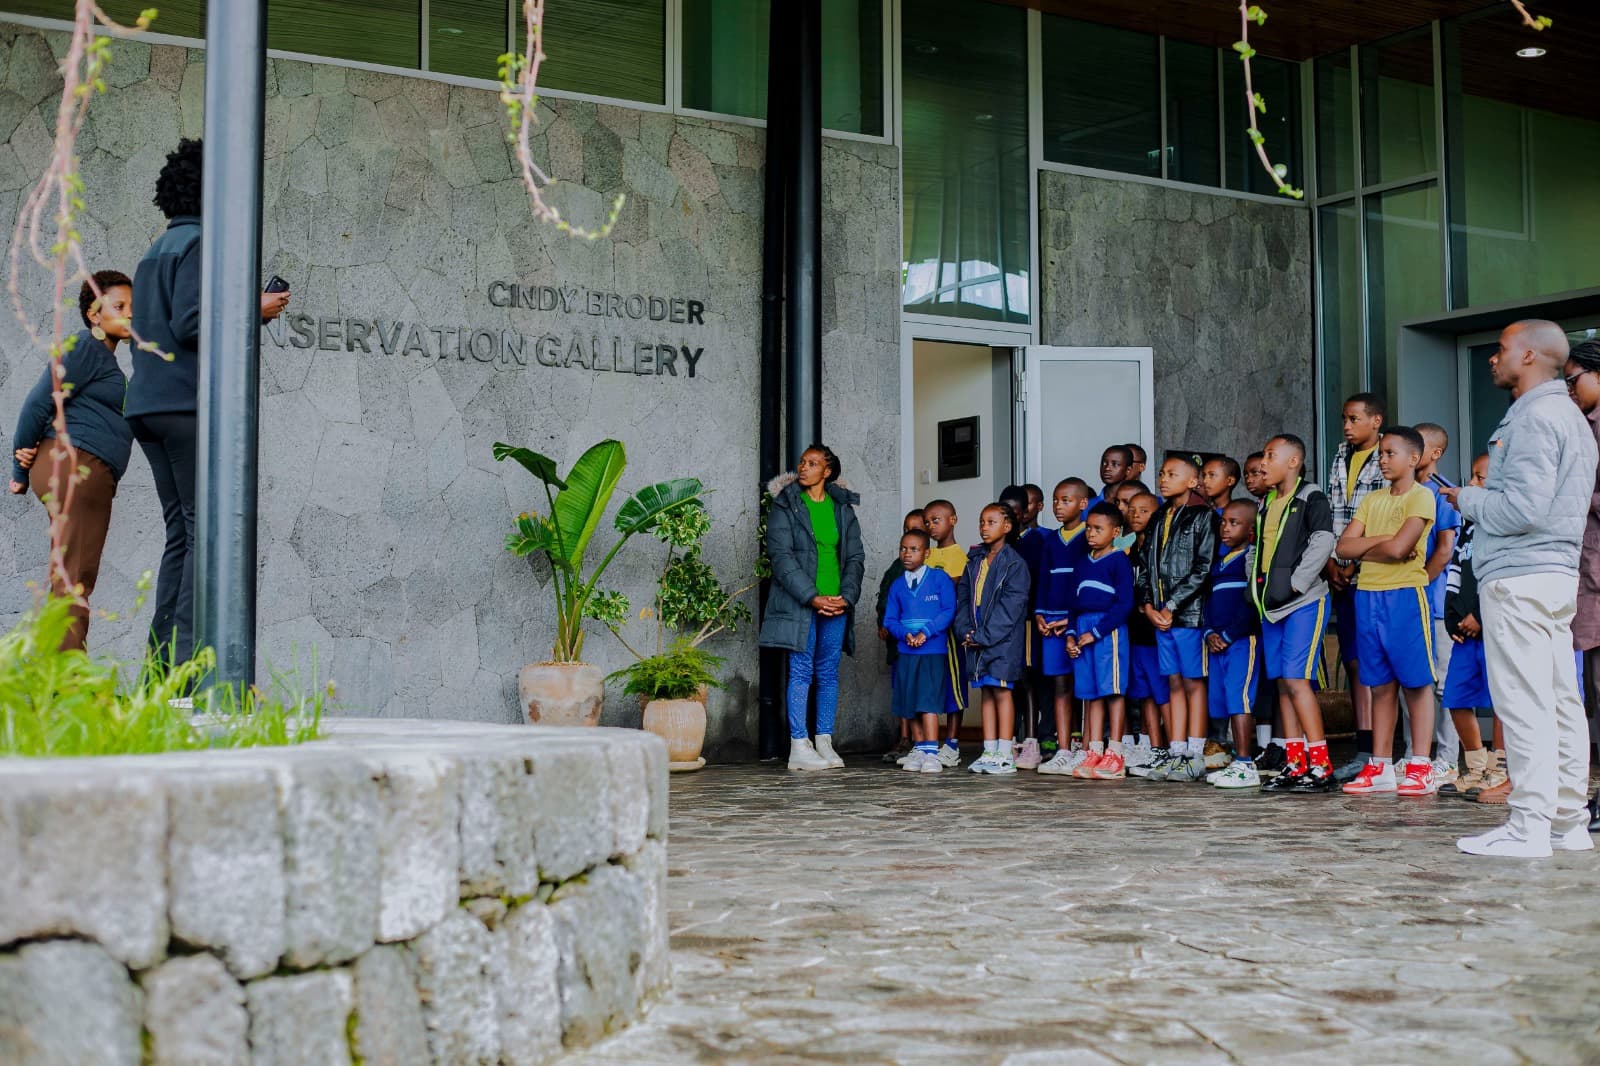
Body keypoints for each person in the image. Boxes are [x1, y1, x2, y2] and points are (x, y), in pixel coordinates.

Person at [128, 138, 291, 671]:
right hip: (185, 406)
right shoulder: (200, 243)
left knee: (182, 536)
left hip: (149, 406)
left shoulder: (157, 249)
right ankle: (183, 676)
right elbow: (192, 322)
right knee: (204, 537)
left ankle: (159, 676)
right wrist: (255, 308)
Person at [1442, 320, 1598, 856]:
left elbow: (1522, 509)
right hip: (1553, 574)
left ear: (1529, 355)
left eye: (1502, 349)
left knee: (1524, 702)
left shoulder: (1534, 417)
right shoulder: (1570, 416)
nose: (1493, 357)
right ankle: (1567, 822)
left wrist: (1466, 499)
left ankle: (1529, 826)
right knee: (1559, 700)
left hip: (1519, 575)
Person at [9, 271, 135, 651]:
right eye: (119, 306)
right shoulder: (86, 347)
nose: (130, 314)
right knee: (74, 580)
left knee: (71, 576)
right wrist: (19, 467)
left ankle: (54, 672)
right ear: (94, 314)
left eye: (133, 307)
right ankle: (66, 678)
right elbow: (39, 401)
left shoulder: (101, 357)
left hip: (81, 466)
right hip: (77, 464)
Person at [1335, 426, 1440, 797]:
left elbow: (1401, 550)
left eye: (1390, 453)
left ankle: (1420, 766)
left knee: (1416, 683)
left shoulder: (1421, 496)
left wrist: (1370, 546)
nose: (1382, 459)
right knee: (1379, 685)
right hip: (1367, 595)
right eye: (1380, 453)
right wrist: (1384, 540)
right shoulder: (1372, 500)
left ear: (1414, 458)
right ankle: (1380, 766)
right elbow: (1343, 547)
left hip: (1405, 595)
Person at [760, 443, 866, 772]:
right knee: (802, 671)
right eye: (802, 462)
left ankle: (824, 741)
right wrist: (812, 596)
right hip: (803, 603)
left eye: (813, 463)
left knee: (828, 673)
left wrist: (846, 596)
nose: (803, 468)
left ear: (827, 471)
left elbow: (855, 557)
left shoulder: (842, 507)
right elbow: (781, 557)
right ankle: (798, 745)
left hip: (836, 603)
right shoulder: (786, 504)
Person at [1250, 435, 1339, 794]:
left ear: (1293, 462)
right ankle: (1295, 761)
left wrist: (1298, 584)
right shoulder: (1267, 501)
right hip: (1271, 607)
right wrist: (1255, 585)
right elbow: (1257, 548)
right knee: (1284, 683)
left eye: (1270, 455)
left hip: (1304, 602)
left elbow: (1323, 540)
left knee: (1298, 680)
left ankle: (1320, 764)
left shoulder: (1310, 496)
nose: (1263, 463)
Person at [1139, 452, 1216, 783]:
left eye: (1172, 474)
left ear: (1192, 481)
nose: (1163, 479)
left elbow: (1203, 568)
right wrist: (1148, 605)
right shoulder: (1159, 516)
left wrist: (1171, 605)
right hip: (1160, 616)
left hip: (1188, 616)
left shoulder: (1203, 516)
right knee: (1173, 682)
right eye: (1162, 473)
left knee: (1192, 682)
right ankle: (1177, 750)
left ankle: (1194, 755)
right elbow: (1145, 565)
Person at [1326, 393, 1388, 782]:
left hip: (1374, 573)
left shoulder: (1387, 456)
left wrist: (1354, 563)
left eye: (1354, 419)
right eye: (1344, 419)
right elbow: (1335, 512)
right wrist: (1333, 561)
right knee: (1353, 661)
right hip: (1341, 572)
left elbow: (1384, 517)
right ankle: (1363, 749)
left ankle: (1382, 752)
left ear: (1376, 421)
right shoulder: (1340, 457)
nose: (1347, 426)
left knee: (1375, 662)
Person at [1439, 454, 1506, 799]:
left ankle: (1501, 768)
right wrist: (1452, 616)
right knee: (1456, 695)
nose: (1472, 484)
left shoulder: (1501, 526)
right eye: (1472, 477)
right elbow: (1456, 570)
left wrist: (1480, 615)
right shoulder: (1467, 524)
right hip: (1464, 632)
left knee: (1501, 700)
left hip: (1492, 627)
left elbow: (1499, 572)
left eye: (1481, 478)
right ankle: (1476, 766)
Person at [956, 503, 1032, 775]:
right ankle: (989, 751)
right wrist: (965, 630)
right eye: (981, 522)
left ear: (1007, 527)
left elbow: (1011, 608)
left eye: (991, 522)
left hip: (1002, 641)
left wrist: (983, 636)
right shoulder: (974, 561)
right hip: (977, 636)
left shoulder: (1014, 564)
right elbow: (963, 599)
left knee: (1002, 691)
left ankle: (1004, 753)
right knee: (986, 692)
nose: (984, 527)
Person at [1065, 503, 1135, 779]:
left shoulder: (1119, 560)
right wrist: (1071, 634)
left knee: (1112, 690)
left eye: (1098, 529)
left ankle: (1115, 753)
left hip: (1108, 631)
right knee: (1090, 693)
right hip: (1082, 630)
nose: (1091, 534)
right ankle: (1093, 751)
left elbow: (1124, 605)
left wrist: (1096, 632)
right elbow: (1072, 604)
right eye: (1088, 528)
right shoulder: (1083, 562)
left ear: (1115, 532)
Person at [883, 528, 957, 774]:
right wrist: (905, 634)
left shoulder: (939, 579)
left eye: (914, 549)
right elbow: (890, 619)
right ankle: (920, 748)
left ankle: (932, 752)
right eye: (903, 549)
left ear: (927, 553)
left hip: (932, 652)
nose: (907, 554)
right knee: (910, 701)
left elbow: (948, 610)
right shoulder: (897, 585)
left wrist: (926, 632)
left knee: (928, 701)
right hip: (906, 652)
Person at [1563, 340, 1600, 831]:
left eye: (1573, 380)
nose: (1569, 389)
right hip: (1587, 577)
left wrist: (1574, 493)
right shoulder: (1582, 425)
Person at [1412, 423, 1462, 778]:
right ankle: (1415, 755)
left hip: (1437, 602)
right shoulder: (1401, 492)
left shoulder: (1443, 493)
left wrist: (1417, 584)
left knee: (1444, 683)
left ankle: (1447, 757)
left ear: (1435, 453)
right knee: (1413, 680)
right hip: (1409, 604)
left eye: (1418, 446)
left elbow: (1445, 551)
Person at [1035, 479, 1091, 775]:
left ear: (1083, 504)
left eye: (1066, 500)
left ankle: (1086, 747)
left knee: (1084, 684)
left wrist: (1071, 619)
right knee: (1059, 684)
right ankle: (1063, 748)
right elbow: (1043, 580)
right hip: (1051, 623)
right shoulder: (1051, 540)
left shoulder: (1089, 537)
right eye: (1056, 500)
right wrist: (1039, 614)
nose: (1059, 506)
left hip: (1077, 621)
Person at [1205, 501, 1262, 789]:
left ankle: (1245, 762)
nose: (1225, 528)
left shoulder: (1250, 560)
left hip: (1240, 642)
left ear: (1251, 530)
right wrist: (1209, 633)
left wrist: (1228, 635)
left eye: (1234, 523)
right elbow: (1209, 604)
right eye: (1223, 522)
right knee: (1220, 700)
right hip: (1216, 644)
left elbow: (1250, 606)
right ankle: (1227, 758)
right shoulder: (1219, 563)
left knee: (1240, 699)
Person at [1003, 483, 1051, 769]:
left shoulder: (1039, 540)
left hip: (1030, 619)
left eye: (1016, 511)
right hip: (1005, 623)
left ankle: (1036, 739)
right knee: (1010, 681)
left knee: (1030, 677)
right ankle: (1011, 738)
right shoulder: (1001, 545)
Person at [1123, 491, 1169, 775]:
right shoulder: (1127, 550)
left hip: (1156, 630)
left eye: (1144, 510)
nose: (1135, 515)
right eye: (1132, 510)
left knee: (1162, 693)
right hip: (1134, 631)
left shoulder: (1160, 548)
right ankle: (1154, 748)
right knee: (1145, 694)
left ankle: (1172, 749)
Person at [877, 509, 926, 764]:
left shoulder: (931, 571)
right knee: (902, 689)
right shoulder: (896, 569)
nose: (910, 535)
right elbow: (885, 598)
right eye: (906, 530)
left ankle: (924, 741)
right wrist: (883, 622)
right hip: (899, 643)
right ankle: (905, 737)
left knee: (922, 691)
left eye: (916, 530)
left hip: (924, 643)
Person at [923, 499, 969, 765]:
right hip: (927, 633)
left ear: (953, 520)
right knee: (928, 686)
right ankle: (925, 743)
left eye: (936, 520)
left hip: (949, 633)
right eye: (927, 522)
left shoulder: (959, 556)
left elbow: (949, 591)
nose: (931, 526)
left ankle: (952, 744)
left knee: (954, 686)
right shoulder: (927, 555)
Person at [1091, 445, 1133, 511]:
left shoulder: (1134, 504)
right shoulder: (1089, 505)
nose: (1107, 468)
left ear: (1128, 470)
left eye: (1115, 464)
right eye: (1104, 463)